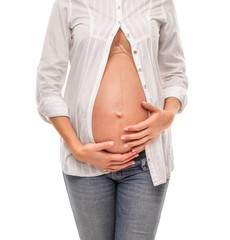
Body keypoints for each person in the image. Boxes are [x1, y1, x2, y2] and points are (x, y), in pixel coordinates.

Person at [35, 0, 188, 239]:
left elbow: (175, 72)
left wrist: (167, 116)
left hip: (145, 163)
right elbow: (47, 84)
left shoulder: (159, 2)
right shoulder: (68, 3)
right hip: (86, 163)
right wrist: (77, 149)